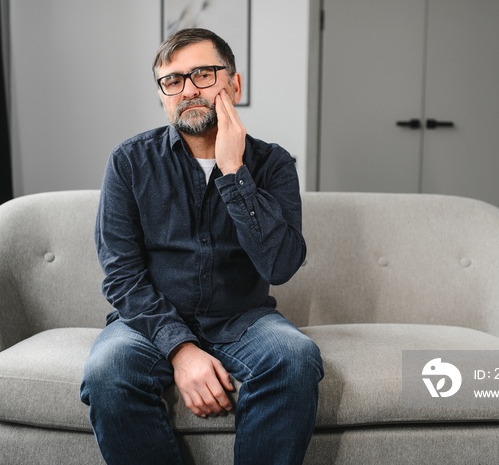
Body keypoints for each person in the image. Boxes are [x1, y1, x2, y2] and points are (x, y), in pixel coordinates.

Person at [80, 28, 324, 465]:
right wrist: (180, 347)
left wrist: (234, 174)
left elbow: (281, 265)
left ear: (235, 83)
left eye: (204, 74)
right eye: (173, 80)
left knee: (295, 357)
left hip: (243, 320)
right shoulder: (129, 162)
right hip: (149, 323)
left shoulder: (273, 164)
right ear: (162, 94)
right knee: (108, 371)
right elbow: (120, 275)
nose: (188, 89)